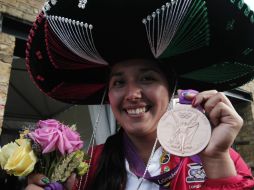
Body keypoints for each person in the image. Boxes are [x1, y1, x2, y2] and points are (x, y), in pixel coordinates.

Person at [24, 0, 254, 189]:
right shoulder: (86, 165)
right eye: (119, 82)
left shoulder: (219, 156)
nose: (132, 94)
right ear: (108, 94)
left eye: (147, 78)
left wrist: (215, 161)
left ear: (172, 88)